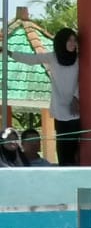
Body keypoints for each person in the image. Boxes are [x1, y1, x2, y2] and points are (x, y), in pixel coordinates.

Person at [2, 27, 79, 165]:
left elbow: (83, 79)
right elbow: (31, 59)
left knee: (76, 148)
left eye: (74, 40)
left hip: (76, 109)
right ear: (62, 42)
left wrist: (76, 97)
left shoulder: (79, 59)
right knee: (63, 148)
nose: (73, 43)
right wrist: (9, 53)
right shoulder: (52, 57)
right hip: (60, 110)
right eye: (69, 40)